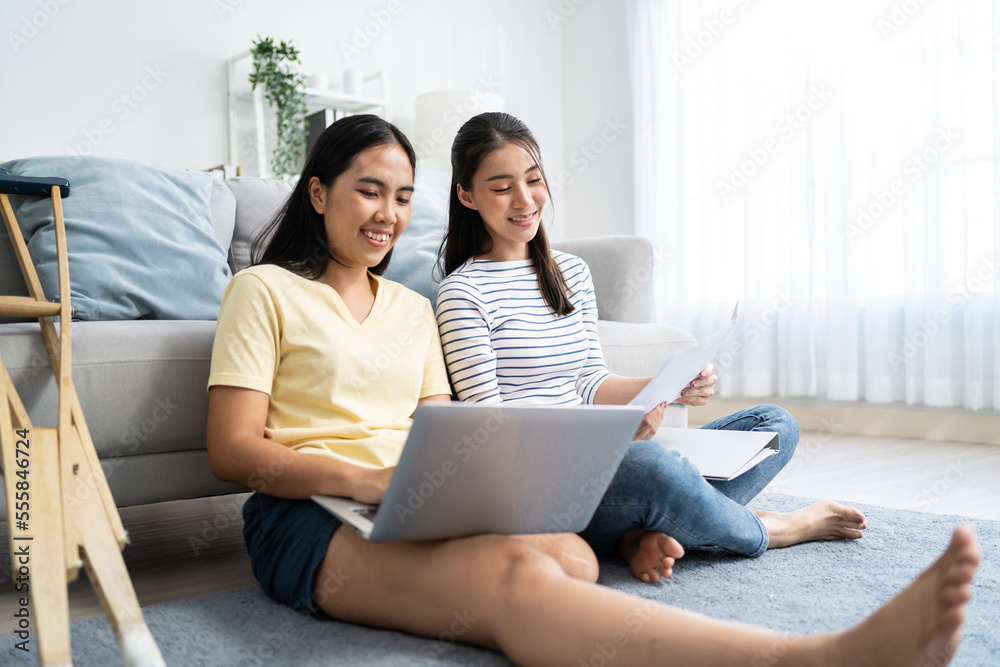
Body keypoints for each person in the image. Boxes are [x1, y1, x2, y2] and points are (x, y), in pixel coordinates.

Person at [206, 113, 980, 667]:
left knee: (571, 558)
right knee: (519, 579)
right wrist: (368, 477)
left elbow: (441, 426)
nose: (388, 215)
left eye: (403, 196)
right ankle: (812, 656)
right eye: (370, 191)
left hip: (409, 496)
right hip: (308, 514)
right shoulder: (265, 291)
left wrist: (442, 482)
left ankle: (639, 533)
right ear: (318, 193)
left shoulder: (409, 308)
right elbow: (234, 451)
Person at [436, 112, 866, 582]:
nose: (525, 199)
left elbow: (588, 381)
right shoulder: (463, 294)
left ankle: (634, 534)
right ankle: (776, 528)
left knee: (773, 425)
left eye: (534, 180)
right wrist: (602, 440)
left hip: (603, 458)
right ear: (466, 194)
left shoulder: (571, 273)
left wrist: (668, 387)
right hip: (540, 489)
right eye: (502, 188)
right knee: (654, 467)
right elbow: (488, 434)